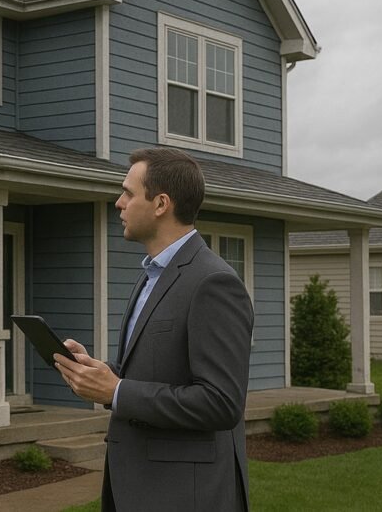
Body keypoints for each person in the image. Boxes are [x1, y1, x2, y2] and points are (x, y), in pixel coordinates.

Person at [53, 148, 254, 511]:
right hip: (135, 486)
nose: (119, 203)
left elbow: (221, 403)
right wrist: (99, 374)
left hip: (184, 496)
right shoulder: (150, 277)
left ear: (161, 204)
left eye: (129, 193)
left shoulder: (214, 282)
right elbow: (149, 374)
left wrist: (117, 391)